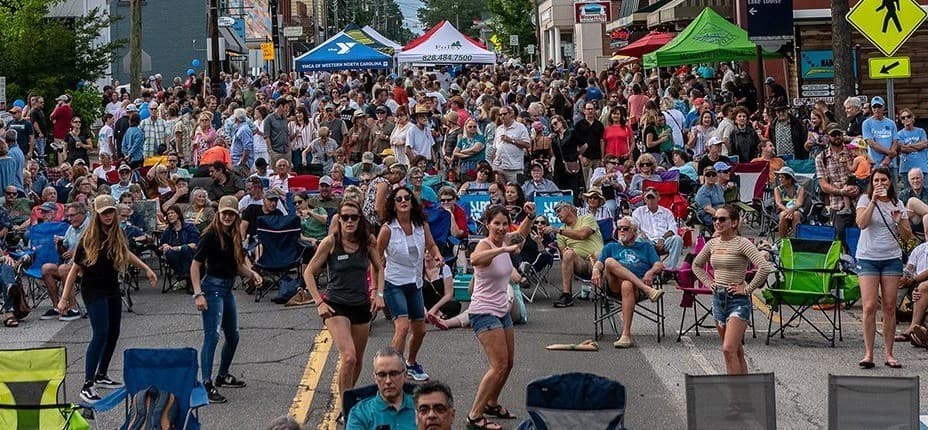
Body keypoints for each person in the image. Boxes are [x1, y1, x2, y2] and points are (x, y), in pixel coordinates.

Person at [56, 195, 158, 403]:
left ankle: (102, 374)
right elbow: (74, 270)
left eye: (111, 211)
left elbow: (126, 253)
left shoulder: (117, 233)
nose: (108, 216)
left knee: (114, 333)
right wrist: (64, 298)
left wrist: (146, 268)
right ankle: (87, 384)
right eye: (104, 213)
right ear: (97, 214)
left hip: (111, 286)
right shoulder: (88, 238)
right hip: (93, 289)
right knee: (100, 334)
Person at [303, 200, 384, 404]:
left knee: (357, 359)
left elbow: (379, 267)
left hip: (361, 304)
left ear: (359, 220)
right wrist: (319, 302)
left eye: (354, 217)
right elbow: (309, 272)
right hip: (336, 305)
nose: (349, 221)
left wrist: (378, 293)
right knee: (348, 356)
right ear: (338, 219)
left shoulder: (367, 240)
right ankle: (346, 406)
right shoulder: (330, 242)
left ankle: (348, 397)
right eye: (345, 217)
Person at [190, 195, 263, 403]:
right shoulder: (210, 235)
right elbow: (195, 265)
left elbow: (236, 264)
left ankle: (222, 375)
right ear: (219, 214)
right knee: (212, 336)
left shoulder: (234, 235)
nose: (228, 217)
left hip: (227, 288)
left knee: (233, 336)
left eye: (231, 214)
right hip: (212, 288)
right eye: (225, 213)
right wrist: (198, 294)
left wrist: (252, 274)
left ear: (236, 215)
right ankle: (206, 383)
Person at [692, 205, 772, 374]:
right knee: (735, 351)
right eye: (715, 219)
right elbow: (696, 265)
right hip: (718, 298)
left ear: (734, 223)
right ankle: (743, 388)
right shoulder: (712, 243)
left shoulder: (742, 243)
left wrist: (748, 289)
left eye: (722, 219)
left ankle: (734, 389)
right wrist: (708, 282)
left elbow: (764, 267)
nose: (717, 222)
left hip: (737, 300)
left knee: (728, 349)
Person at [376, 187, 444, 382]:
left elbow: (431, 245)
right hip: (394, 283)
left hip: (415, 283)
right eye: (398, 199)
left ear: (413, 203)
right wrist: (376, 291)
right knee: (403, 327)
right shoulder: (387, 229)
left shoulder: (421, 225)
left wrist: (437, 255)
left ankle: (410, 364)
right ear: (393, 205)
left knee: (420, 330)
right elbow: (376, 260)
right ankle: (391, 371)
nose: (403, 201)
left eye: (407, 198)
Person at [464, 206, 519, 430]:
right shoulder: (485, 245)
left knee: (508, 364)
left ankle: (492, 403)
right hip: (483, 311)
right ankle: (474, 416)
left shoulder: (505, 240)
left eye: (504, 224)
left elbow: (520, 235)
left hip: (501, 311)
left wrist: (530, 217)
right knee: (498, 365)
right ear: (488, 224)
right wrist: (502, 249)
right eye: (496, 223)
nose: (501, 228)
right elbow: (475, 259)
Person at [855, 166, 912, 369]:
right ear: (872, 183)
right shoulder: (864, 199)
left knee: (889, 306)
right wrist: (873, 201)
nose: (880, 184)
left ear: (890, 182)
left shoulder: (898, 203)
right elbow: (861, 223)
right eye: (876, 180)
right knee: (869, 306)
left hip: (891, 257)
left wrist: (898, 222)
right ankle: (868, 353)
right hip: (868, 257)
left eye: (884, 180)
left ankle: (889, 354)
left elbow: (907, 236)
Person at [591, 216, 665, 348]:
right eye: (619, 228)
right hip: (614, 286)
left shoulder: (645, 247)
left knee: (627, 284)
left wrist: (650, 272)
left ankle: (625, 335)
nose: (621, 231)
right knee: (609, 261)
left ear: (634, 231)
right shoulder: (611, 247)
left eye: (625, 228)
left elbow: (659, 265)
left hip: (636, 290)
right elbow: (599, 263)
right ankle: (649, 290)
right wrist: (595, 270)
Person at [547, 201, 604, 308]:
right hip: (581, 264)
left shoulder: (587, 218)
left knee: (597, 254)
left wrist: (559, 231)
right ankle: (567, 295)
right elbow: (563, 253)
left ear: (568, 209)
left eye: (559, 211)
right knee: (568, 254)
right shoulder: (560, 233)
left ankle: (608, 292)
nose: (557, 215)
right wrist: (565, 250)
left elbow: (583, 234)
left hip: (599, 261)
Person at [39, 202, 89, 321]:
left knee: (64, 269)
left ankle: (74, 308)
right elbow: (64, 247)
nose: (69, 219)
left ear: (82, 214)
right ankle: (57, 307)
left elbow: (92, 247)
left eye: (72, 215)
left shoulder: (91, 227)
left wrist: (75, 253)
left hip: (86, 267)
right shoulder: (71, 228)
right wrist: (59, 244)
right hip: (70, 265)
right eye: (68, 216)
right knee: (46, 268)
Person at [346, 348, 416, 430]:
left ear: (405, 375)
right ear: (375, 378)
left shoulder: (422, 408)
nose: (388, 381)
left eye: (394, 374)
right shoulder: (360, 414)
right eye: (382, 375)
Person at [633, 188, 684, 270]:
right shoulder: (638, 212)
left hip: (665, 241)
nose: (650, 201)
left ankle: (669, 269)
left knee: (677, 239)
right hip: (647, 242)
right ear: (645, 200)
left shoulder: (667, 212)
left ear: (658, 198)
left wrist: (663, 239)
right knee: (638, 239)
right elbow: (635, 228)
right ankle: (645, 267)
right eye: (648, 198)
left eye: (652, 198)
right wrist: (641, 234)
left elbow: (673, 228)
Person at [160, 205, 200, 290]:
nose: (170, 215)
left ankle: (185, 277)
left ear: (178, 214)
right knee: (168, 252)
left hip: (190, 254)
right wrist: (165, 245)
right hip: (175, 257)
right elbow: (162, 243)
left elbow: (194, 244)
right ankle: (186, 277)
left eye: (172, 213)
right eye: (168, 214)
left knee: (185, 249)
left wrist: (178, 248)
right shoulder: (168, 230)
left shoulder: (190, 227)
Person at [862, 96, 898, 170]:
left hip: (890, 163)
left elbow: (895, 141)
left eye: (879, 106)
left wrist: (888, 157)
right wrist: (890, 153)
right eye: (874, 107)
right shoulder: (866, 123)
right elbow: (871, 143)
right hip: (875, 164)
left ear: (883, 107)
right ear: (871, 108)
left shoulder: (891, 123)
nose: (877, 109)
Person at [897, 108, 928, 187]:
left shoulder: (921, 131)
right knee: (907, 192)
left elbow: (924, 144)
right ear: (901, 121)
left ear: (912, 118)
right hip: (906, 169)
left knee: (925, 192)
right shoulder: (899, 134)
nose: (906, 119)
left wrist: (908, 146)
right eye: (903, 118)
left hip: (922, 168)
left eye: (908, 116)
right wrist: (918, 146)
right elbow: (902, 149)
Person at [773, 167, 805, 238]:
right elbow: (778, 203)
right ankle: (784, 240)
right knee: (783, 215)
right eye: (779, 177)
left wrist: (791, 210)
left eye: (782, 177)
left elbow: (799, 203)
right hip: (782, 209)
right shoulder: (777, 189)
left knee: (796, 214)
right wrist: (788, 211)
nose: (780, 179)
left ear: (789, 179)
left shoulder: (800, 188)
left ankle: (797, 240)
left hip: (796, 209)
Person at [695, 166, 726, 230]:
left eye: (713, 175)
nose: (711, 177)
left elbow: (725, 188)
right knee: (728, 223)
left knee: (738, 219)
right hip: (709, 216)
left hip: (721, 211)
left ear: (716, 176)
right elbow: (708, 209)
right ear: (704, 177)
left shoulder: (718, 186)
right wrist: (723, 216)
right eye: (708, 175)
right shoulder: (703, 192)